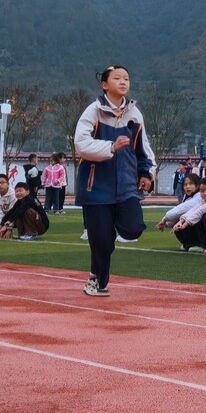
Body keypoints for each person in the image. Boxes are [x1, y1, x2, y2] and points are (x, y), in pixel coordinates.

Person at [74, 64, 156, 297]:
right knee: (101, 241)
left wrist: (146, 173)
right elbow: (81, 145)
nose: (123, 82)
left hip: (126, 186)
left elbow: (144, 150)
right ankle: (97, 279)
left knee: (133, 229)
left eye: (127, 78)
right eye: (117, 78)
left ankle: (107, 232)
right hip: (96, 187)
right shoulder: (93, 111)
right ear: (104, 84)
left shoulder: (134, 114)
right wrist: (111, 146)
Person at [159, 173, 206, 255]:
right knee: (183, 219)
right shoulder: (201, 198)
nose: (205, 193)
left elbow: (201, 210)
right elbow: (194, 209)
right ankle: (194, 244)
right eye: (202, 191)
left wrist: (183, 222)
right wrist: (181, 221)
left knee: (205, 215)